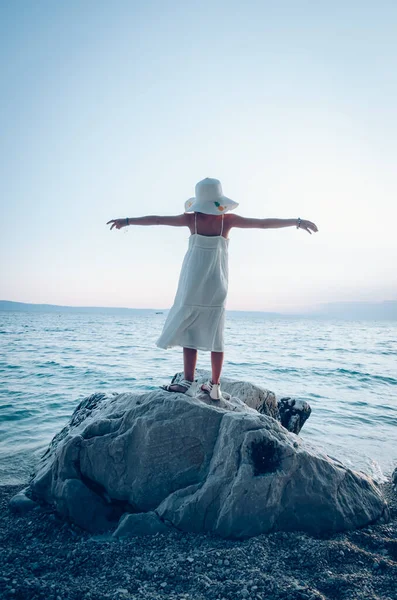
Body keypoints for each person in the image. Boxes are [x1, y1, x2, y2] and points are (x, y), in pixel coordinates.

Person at [107, 177, 318, 401]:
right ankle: (215, 386)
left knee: (189, 330)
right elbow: (263, 223)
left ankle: (188, 382)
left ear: (199, 201)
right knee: (217, 334)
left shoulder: (192, 220)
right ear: (218, 200)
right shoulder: (227, 221)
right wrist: (297, 221)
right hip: (217, 284)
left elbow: (158, 220)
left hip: (192, 283)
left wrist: (127, 221)